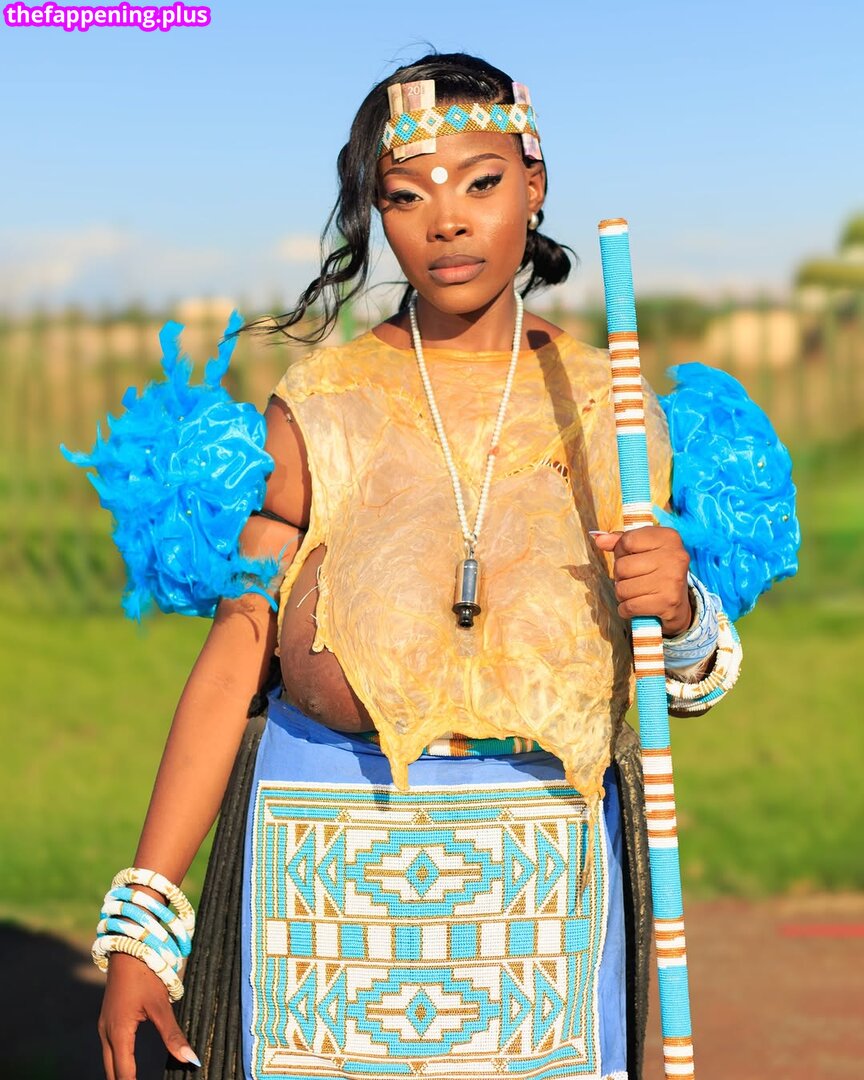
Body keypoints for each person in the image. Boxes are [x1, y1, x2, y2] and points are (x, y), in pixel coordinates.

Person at [93, 51, 741, 1080]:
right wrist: (142, 929)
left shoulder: (612, 411)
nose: (446, 222)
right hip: (321, 863)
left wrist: (684, 609)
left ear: (534, 184)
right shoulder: (319, 406)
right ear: (377, 216)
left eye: (480, 184)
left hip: (545, 883)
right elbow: (232, 665)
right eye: (406, 195)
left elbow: (684, 680)